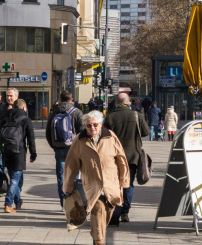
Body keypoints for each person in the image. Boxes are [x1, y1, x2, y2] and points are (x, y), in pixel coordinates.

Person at [63, 110, 130, 245]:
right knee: (98, 210)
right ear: (84, 126)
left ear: (101, 124)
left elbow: (122, 160)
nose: (92, 128)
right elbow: (71, 165)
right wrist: (68, 188)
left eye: (95, 125)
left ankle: (96, 237)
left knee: (104, 218)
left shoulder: (110, 137)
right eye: (89, 125)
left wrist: (124, 182)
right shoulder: (80, 140)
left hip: (111, 186)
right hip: (93, 187)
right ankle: (98, 241)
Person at [104, 92, 147, 223]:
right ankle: (125, 212)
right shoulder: (137, 115)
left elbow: (104, 137)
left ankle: (115, 211)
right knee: (128, 183)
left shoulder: (110, 117)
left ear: (116, 103)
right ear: (129, 103)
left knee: (115, 183)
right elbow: (145, 132)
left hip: (114, 156)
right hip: (132, 156)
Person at [47, 90, 84, 207]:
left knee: (61, 177)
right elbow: (82, 132)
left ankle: (64, 203)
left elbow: (48, 133)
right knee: (75, 176)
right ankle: (74, 203)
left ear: (60, 99)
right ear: (71, 100)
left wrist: (54, 146)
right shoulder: (77, 112)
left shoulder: (54, 113)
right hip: (74, 149)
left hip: (59, 149)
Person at [0, 99, 36, 213]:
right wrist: (33, 154)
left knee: (13, 178)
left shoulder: (5, 118)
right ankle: (8, 204)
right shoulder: (26, 120)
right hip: (18, 152)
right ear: (24, 108)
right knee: (15, 180)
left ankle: (18, 202)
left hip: (6, 152)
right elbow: (31, 139)